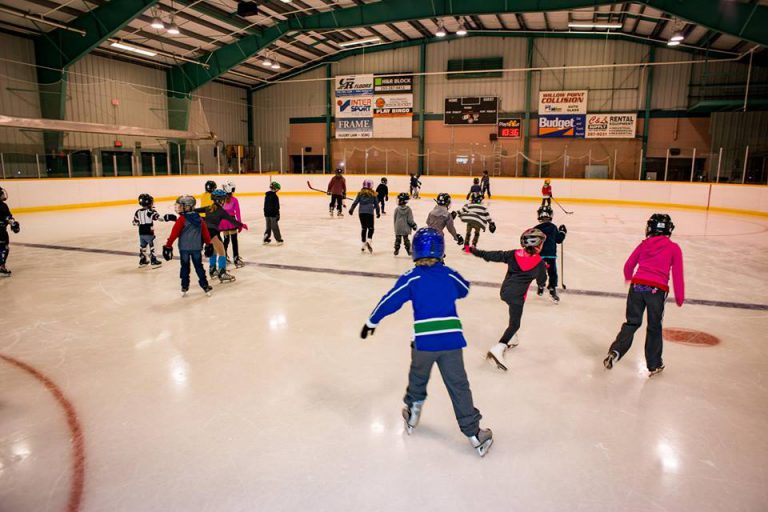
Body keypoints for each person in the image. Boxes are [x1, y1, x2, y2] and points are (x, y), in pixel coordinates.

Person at [360, 227, 493, 457]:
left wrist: (372, 321)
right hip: (451, 342)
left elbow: (390, 300)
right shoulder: (449, 274)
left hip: (423, 343)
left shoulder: (411, 277)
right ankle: (473, 434)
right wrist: (446, 273)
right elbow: (464, 289)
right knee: (459, 386)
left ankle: (412, 410)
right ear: (441, 250)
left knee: (418, 378)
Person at [603, 213, 685, 377]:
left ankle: (615, 351)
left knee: (632, 323)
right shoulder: (674, 248)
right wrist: (680, 297)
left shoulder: (644, 244)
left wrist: (628, 278)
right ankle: (654, 364)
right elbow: (677, 274)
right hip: (656, 290)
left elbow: (628, 265)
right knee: (654, 327)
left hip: (637, 286)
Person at [469, 228, 547, 371]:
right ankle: (499, 347)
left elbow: (492, 255)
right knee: (515, 324)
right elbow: (542, 281)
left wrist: (474, 251)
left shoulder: (512, 254)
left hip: (505, 293)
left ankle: (513, 338)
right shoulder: (540, 264)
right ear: (538, 245)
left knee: (512, 320)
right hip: (517, 297)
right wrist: (542, 277)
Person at [162, 195, 213, 297]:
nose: (179, 208)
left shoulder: (181, 219)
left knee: (185, 267)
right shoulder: (199, 218)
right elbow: (205, 233)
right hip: (196, 248)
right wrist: (208, 244)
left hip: (184, 249)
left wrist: (168, 245)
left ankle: (184, 286)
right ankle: (205, 285)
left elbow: (174, 234)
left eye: (181, 206)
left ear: (188, 207)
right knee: (199, 267)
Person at [195, 189, 246, 283]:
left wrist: (188, 211)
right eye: (223, 199)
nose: (224, 201)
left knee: (214, 250)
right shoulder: (221, 211)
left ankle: (212, 269)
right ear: (220, 200)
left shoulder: (208, 207)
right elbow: (231, 220)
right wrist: (241, 225)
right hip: (212, 232)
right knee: (222, 251)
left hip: (205, 232)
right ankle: (222, 273)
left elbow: (195, 211)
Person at [132, 193, 176, 268]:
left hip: (141, 233)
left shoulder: (138, 212)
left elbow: (134, 222)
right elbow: (159, 218)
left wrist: (140, 223)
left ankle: (143, 260)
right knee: (153, 244)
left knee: (143, 246)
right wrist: (168, 217)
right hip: (149, 232)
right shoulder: (150, 211)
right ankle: (153, 260)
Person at [533, 206, 567, 303]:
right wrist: (563, 232)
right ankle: (552, 288)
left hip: (539, 256)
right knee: (552, 272)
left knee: (540, 272)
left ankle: (540, 285)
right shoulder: (553, 227)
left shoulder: (536, 228)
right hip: (551, 255)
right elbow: (559, 240)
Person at [348, 179, 380, 253]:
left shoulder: (360, 193)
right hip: (369, 212)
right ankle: (369, 240)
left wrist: (351, 209)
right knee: (371, 228)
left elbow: (355, 202)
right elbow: (377, 205)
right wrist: (378, 213)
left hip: (361, 213)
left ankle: (363, 244)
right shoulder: (373, 194)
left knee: (363, 228)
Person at [220, 181, 245, 268]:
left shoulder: (221, 199)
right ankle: (236, 258)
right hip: (231, 221)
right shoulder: (234, 200)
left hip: (223, 222)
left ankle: (224, 256)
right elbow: (237, 213)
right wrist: (239, 224)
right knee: (234, 241)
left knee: (226, 240)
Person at [0, 186, 20, 277]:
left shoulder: (3, 205)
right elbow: (8, 217)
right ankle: (2, 267)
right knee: (4, 247)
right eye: (1, 194)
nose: (3, 195)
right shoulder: (2, 206)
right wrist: (14, 224)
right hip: (1, 232)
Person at [263, 181, 283, 246]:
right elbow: (277, 207)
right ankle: (279, 240)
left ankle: (266, 237)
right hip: (273, 214)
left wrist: (265, 212)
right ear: (276, 189)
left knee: (268, 226)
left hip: (266, 214)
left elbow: (265, 205)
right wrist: (278, 214)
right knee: (275, 227)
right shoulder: (275, 196)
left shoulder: (267, 195)